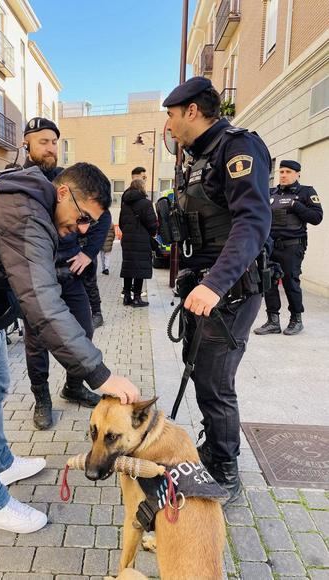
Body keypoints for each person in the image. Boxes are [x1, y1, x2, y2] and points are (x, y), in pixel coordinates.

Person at [0, 160, 139, 534]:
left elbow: (35, 285)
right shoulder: (26, 215)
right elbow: (41, 302)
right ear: (62, 192)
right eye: (83, 215)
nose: (82, 227)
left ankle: (2, 462)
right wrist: (99, 374)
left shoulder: (34, 206)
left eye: (90, 222)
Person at [163, 76, 272, 503]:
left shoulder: (237, 147)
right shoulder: (197, 157)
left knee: (215, 380)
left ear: (192, 110)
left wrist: (214, 284)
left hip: (232, 288)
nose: (169, 126)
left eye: (171, 115)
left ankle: (226, 471)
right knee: (200, 374)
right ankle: (213, 450)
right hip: (205, 286)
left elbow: (252, 223)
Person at [20, 117, 110, 429]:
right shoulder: (16, 183)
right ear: (26, 143)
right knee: (37, 344)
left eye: (55, 142)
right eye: (43, 141)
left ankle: (73, 386)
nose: (50, 147)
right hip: (35, 279)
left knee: (84, 330)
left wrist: (88, 252)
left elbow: (104, 213)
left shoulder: (66, 180)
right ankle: (41, 397)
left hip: (69, 276)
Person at [254, 160, 323, 336]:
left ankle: (296, 320)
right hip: (270, 246)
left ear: (297, 174)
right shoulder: (271, 193)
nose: (283, 175)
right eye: (281, 171)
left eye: (288, 172)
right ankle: (273, 321)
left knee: (291, 282)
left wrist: (295, 205)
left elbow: (316, 217)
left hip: (292, 246)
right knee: (268, 281)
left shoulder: (306, 192)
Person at [119, 178, 157, 307]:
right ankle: (136, 298)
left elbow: (121, 223)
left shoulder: (124, 203)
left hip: (128, 239)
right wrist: (151, 233)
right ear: (142, 187)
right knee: (139, 268)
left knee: (128, 267)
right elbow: (152, 223)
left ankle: (126, 297)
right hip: (141, 239)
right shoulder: (146, 203)